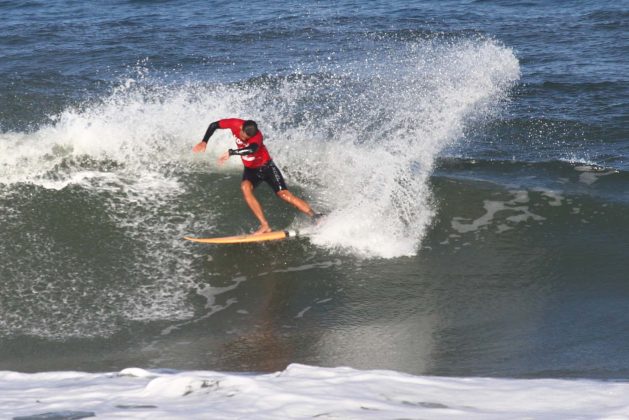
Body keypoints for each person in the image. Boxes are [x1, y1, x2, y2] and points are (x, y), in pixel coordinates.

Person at [193, 118, 318, 235]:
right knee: (245, 187)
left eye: (247, 138)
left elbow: (251, 149)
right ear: (241, 128)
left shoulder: (257, 136)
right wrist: (204, 141)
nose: (244, 139)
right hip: (251, 169)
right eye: (243, 136)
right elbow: (214, 125)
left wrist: (232, 152)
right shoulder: (234, 123)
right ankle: (265, 225)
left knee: (284, 195)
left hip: (267, 167)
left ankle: (315, 216)